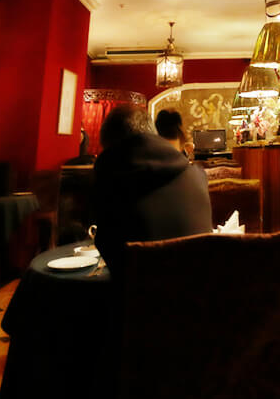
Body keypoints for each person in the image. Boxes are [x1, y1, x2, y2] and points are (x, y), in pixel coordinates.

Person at [91, 105, 212, 275]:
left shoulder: (110, 181)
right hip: (201, 285)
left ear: (112, 149)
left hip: (137, 290)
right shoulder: (197, 175)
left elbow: (108, 248)